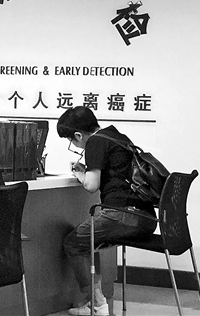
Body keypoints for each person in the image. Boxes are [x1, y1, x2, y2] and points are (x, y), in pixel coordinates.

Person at [57, 106, 157, 316]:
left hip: (122, 215)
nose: (73, 145)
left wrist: (81, 175)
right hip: (146, 217)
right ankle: (97, 302)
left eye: (70, 140)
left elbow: (91, 185)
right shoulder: (117, 137)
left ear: (78, 135)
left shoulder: (95, 142)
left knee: (73, 243)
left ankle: (96, 304)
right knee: (92, 241)